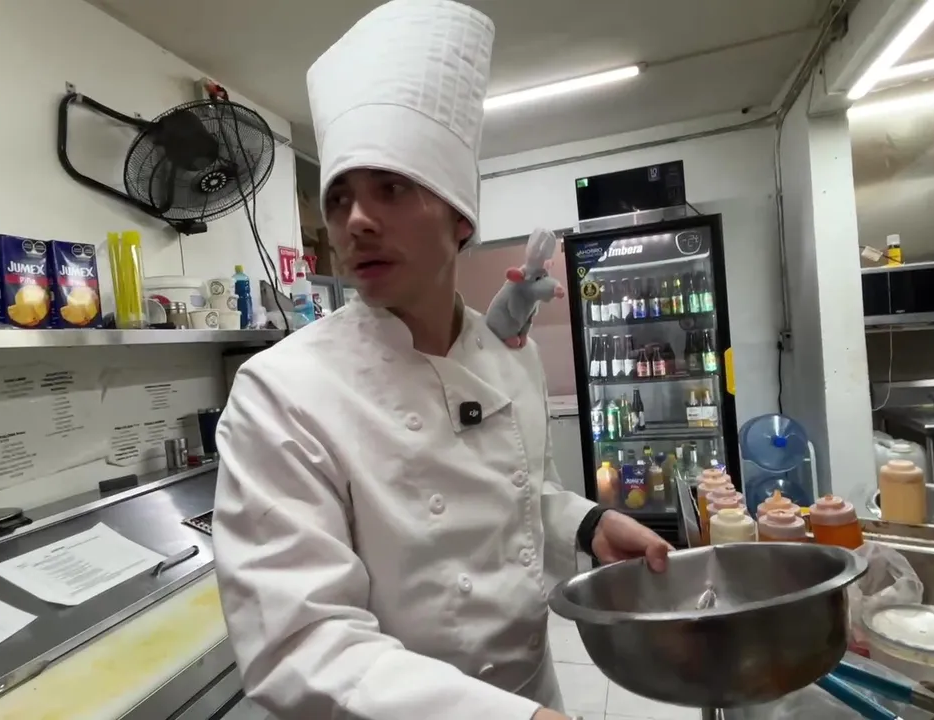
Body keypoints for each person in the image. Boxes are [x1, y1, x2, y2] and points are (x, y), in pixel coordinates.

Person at [212, 2, 671, 719]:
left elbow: (523, 496)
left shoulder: (508, 357)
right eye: (339, 199)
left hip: (533, 695)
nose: (356, 220)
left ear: (461, 217)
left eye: (390, 188)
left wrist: (586, 525)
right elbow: (302, 645)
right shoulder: (283, 392)